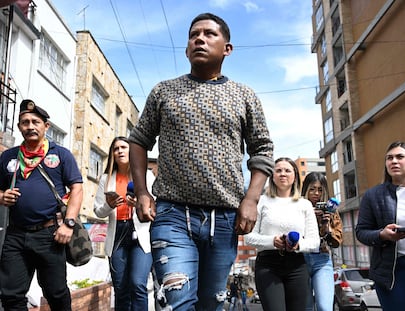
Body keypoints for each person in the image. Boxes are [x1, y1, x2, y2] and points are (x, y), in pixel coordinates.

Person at [128, 12, 274, 311]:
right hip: (171, 215)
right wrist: (143, 192)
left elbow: (262, 149)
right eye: (194, 35)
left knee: (212, 304)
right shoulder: (163, 91)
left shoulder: (244, 96)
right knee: (177, 300)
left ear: (227, 48)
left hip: (225, 220)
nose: (199, 39)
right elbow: (139, 141)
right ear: (186, 49)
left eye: (209, 34)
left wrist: (251, 199)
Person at [0, 99, 83, 310]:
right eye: (25, 122)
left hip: (50, 234)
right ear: (19, 127)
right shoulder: (8, 157)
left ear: (46, 126)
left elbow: (77, 189)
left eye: (35, 122)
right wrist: (2, 196)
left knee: (56, 294)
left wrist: (69, 224)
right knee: (10, 295)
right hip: (16, 235)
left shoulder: (60, 154)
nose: (30, 126)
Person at [245, 157, 319, 311]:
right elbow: (249, 237)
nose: (282, 174)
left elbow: (314, 242)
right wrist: (273, 241)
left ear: (295, 176)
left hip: (297, 266)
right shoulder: (261, 201)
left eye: (287, 170)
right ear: (272, 175)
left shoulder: (305, 204)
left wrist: (299, 245)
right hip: (268, 266)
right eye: (278, 170)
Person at [94, 136, 155, 311]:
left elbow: (156, 207)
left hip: (141, 234)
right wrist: (109, 205)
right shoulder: (106, 179)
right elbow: (98, 211)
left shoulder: (146, 175)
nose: (120, 151)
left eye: (124, 147)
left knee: (137, 284)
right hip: (117, 235)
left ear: (132, 151)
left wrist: (139, 205)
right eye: (116, 148)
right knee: (120, 288)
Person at [356, 141, 405, 311]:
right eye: (389, 158)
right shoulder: (373, 195)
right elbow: (361, 232)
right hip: (393, 273)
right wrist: (382, 235)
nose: (393, 161)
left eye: (400, 157)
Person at [301, 172, 342, 311]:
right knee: (305, 307)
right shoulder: (298, 207)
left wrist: (326, 226)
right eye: (312, 189)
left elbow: (337, 241)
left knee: (325, 307)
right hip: (300, 260)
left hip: (322, 259)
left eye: (320, 189)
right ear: (305, 189)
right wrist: (308, 216)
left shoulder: (330, 211)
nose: (316, 193)